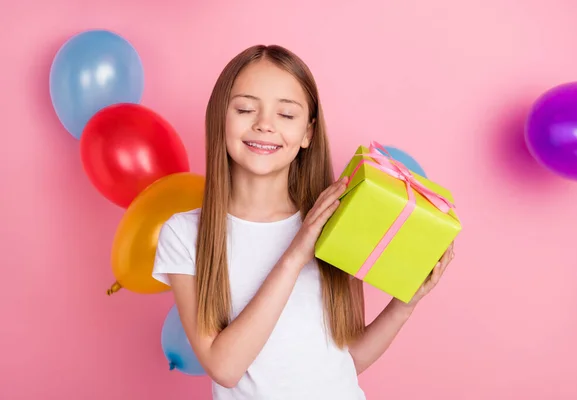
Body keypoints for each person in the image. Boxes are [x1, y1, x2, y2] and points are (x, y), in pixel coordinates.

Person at [152, 44, 455, 400]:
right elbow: (225, 368)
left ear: (308, 133)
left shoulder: (335, 217)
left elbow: (348, 359)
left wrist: (404, 304)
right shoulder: (186, 234)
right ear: (221, 118)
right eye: (246, 108)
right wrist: (295, 254)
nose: (264, 124)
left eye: (287, 115)